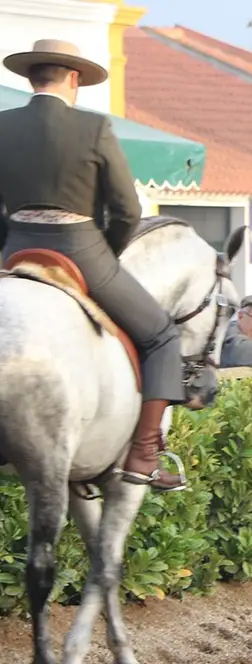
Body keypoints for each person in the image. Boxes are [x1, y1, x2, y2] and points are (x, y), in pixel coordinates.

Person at [0, 40, 186, 491]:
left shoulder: (2, 124)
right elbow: (127, 211)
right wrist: (109, 253)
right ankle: (143, 452)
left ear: (30, 78)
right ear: (74, 79)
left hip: (15, 248)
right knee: (162, 335)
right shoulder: (94, 127)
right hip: (81, 248)